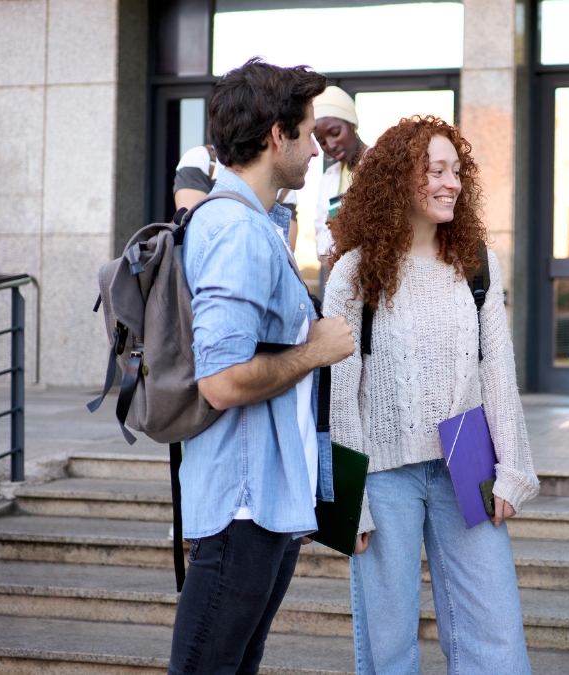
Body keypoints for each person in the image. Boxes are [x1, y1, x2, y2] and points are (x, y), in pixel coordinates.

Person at [325, 115, 539, 675]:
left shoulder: (476, 265)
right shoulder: (354, 272)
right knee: (390, 645)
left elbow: (498, 371)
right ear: (399, 182)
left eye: (456, 171)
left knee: (496, 637)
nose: (452, 184)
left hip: (465, 466)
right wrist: (351, 501)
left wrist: (512, 467)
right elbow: (341, 392)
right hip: (381, 474)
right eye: (435, 171)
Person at [168, 58, 355, 675]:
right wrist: (316, 351)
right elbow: (222, 381)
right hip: (240, 506)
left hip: (263, 501)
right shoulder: (235, 230)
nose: (313, 149)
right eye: (305, 132)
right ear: (277, 136)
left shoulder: (258, 225)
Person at [175, 144, 301, 251]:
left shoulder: (283, 186)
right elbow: (197, 234)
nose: (314, 150)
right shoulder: (203, 159)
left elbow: (284, 254)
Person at [312, 86, 369, 273]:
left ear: (352, 123)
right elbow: (322, 249)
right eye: (321, 142)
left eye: (335, 132)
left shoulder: (382, 165)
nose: (330, 145)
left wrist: (340, 225)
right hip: (345, 277)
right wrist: (333, 227)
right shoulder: (328, 180)